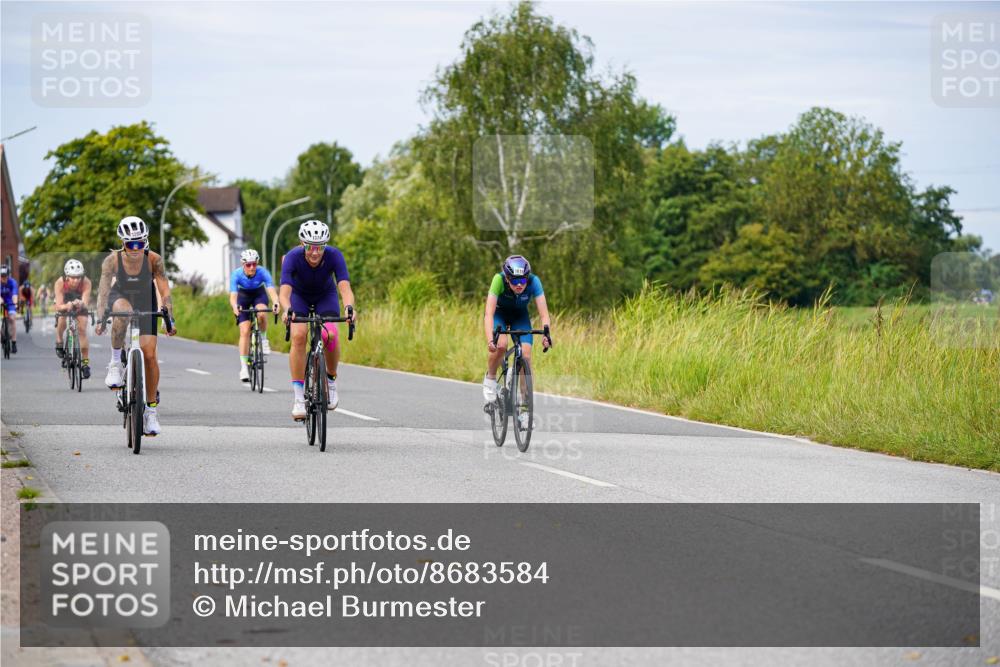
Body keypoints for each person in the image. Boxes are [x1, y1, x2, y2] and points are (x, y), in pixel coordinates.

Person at [94, 216, 177, 436]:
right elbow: (103, 290)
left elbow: (164, 290)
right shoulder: (112, 261)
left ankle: (150, 412)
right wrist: (101, 317)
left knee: (149, 355)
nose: (136, 248)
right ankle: (115, 363)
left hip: (145, 298)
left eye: (140, 243)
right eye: (131, 244)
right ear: (123, 243)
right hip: (121, 296)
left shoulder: (154, 260)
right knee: (123, 313)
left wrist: (169, 316)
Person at [278, 219, 355, 420]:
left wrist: (349, 307)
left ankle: (330, 380)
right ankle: (298, 398)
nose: (314, 252)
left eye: (319, 247)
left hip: (325, 295)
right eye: (310, 247)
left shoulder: (334, 255)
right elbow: (284, 293)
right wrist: (287, 310)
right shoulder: (292, 257)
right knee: (299, 336)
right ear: (302, 244)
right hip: (299, 297)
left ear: (325, 246)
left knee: (330, 334)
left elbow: (345, 288)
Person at [482, 255, 552, 429]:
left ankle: (525, 411)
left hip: (520, 317)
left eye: (523, 280)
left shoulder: (534, 281)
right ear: (507, 278)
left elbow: (544, 314)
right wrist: (490, 339)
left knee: (526, 356)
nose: (519, 284)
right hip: (499, 315)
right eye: (514, 280)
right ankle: (490, 379)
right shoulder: (498, 280)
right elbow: (489, 314)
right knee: (501, 345)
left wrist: (546, 335)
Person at [229, 248, 279, 382]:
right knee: (245, 331)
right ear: (243, 264)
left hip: (258, 294)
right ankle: (244, 367)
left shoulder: (263, 272)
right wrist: (235, 306)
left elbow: (271, 290)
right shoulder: (236, 274)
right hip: (243, 297)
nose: (252, 267)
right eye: (248, 265)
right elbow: (233, 296)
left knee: (262, 313)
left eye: (254, 264)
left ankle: (263, 339)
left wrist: (276, 302)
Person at [54, 259, 93, 378]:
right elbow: (58, 306)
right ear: (67, 277)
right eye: (73, 277)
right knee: (62, 319)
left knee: (82, 329)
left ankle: (85, 364)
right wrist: (67, 306)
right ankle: (59, 340)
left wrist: (80, 304)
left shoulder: (86, 282)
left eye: (78, 277)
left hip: (79, 302)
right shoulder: (60, 282)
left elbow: (85, 302)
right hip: (65, 302)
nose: (76, 280)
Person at [1, 266, 17, 353]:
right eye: (1, 276)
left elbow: (14, 295)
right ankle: (2, 335)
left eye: (5, 276)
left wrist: (15, 304)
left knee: (12, 319)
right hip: (1, 302)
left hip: (10, 302)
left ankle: (14, 342)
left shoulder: (12, 282)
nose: (3, 278)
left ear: (8, 275)